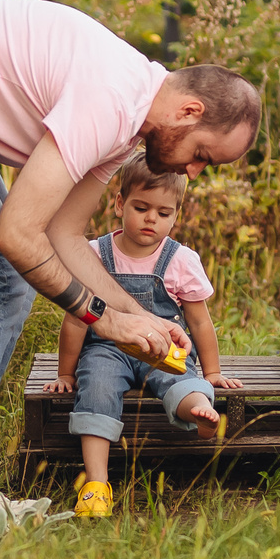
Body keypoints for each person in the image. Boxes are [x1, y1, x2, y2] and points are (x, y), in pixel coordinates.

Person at [0, 0, 261, 536]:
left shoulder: (128, 122)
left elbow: (62, 235)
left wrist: (140, 316)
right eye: (203, 154)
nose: (195, 171)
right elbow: (17, 235)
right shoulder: (110, 99)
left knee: (3, 278)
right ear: (190, 111)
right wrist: (103, 320)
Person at [49, 153, 244, 519]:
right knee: (98, 386)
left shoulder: (180, 259)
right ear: (120, 203)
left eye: (163, 213)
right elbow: (76, 321)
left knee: (182, 377)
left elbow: (200, 322)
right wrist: (65, 373)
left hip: (163, 349)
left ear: (176, 215)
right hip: (108, 349)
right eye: (141, 207)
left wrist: (212, 372)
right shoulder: (93, 255)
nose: (151, 219)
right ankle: (96, 484)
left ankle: (197, 411)